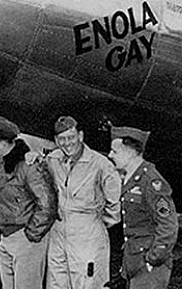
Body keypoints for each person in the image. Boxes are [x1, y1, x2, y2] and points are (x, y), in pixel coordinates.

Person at [0, 116, 58, 289]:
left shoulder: (29, 165)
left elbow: (47, 204)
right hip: (6, 238)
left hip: (25, 239)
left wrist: (31, 234)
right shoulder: (0, 164)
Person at [46, 116, 122, 289]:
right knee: (56, 282)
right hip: (58, 232)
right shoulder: (52, 159)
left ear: (80, 136)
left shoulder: (101, 164)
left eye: (71, 137)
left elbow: (114, 204)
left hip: (87, 234)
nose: (67, 143)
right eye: (62, 139)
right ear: (56, 141)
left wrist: (94, 224)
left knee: (88, 282)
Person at [108, 126, 178, 289]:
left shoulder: (151, 182)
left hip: (149, 266)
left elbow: (168, 224)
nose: (110, 155)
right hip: (134, 261)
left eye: (115, 151)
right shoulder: (131, 179)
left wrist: (154, 258)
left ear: (130, 152)